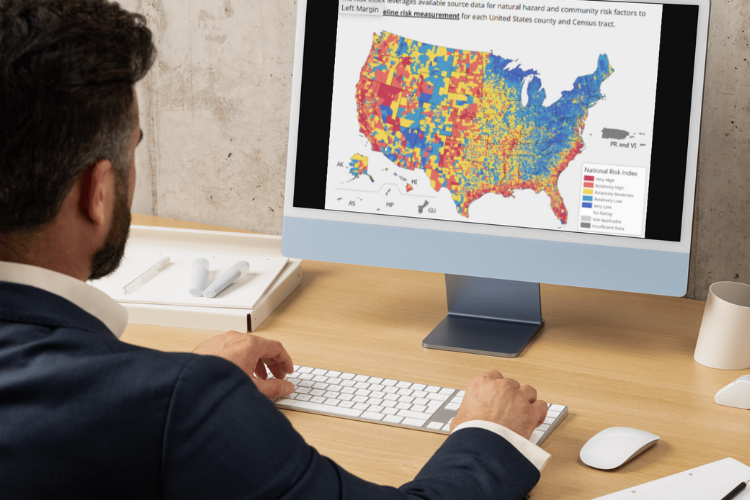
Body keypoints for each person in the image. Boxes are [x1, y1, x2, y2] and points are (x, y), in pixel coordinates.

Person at [0, 1, 551, 498]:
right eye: (134, 149)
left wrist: (165, 386)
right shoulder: (181, 403)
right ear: (97, 193)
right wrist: (489, 434)